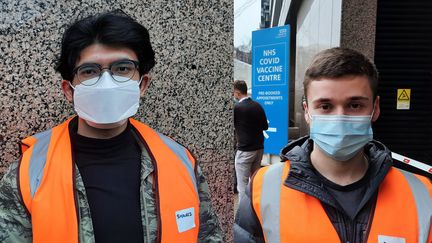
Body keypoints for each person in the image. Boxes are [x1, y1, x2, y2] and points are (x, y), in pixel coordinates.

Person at [0, 10, 223, 243]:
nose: (107, 82)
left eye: (122, 68)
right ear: (68, 90)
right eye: (89, 71)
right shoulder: (29, 173)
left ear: (142, 84)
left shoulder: (181, 161)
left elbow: (208, 236)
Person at [234, 48, 432, 243]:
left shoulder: (422, 195)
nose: (339, 118)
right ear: (306, 111)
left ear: (375, 107)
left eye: (354, 105)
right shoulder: (264, 188)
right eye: (325, 106)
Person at [233, 80, 268, 203]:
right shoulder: (257, 105)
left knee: (242, 185)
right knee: (255, 181)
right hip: (258, 149)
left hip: (244, 151)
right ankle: (256, 206)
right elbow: (265, 126)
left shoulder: (237, 108)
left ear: (237, 93)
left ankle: (244, 212)